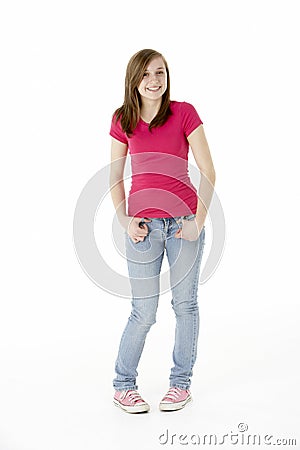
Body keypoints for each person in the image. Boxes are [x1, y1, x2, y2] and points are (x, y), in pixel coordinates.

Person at [109, 49, 216, 413]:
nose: (155, 81)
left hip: (183, 223)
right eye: (147, 75)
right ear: (134, 81)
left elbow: (209, 171)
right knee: (144, 311)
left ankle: (180, 385)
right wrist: (124, 220)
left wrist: (198, 222)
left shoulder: (184, 113)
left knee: (185, 305)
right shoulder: (123, 119)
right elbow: (114, 176)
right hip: (142, 228)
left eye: (160, 73)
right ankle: (124, 385)